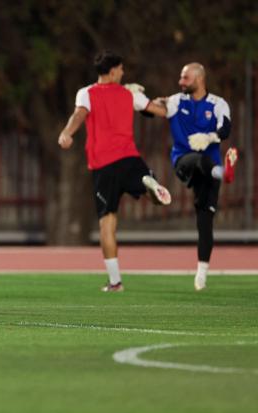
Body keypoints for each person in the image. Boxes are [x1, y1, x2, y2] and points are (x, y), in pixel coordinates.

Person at [57, 50, 171, 292]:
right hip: (131, 159)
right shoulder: (130, 93)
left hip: (104, 166)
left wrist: (67, 132)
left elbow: (79, 114)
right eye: (120, 69)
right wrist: (162, 101)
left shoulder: (86, 93)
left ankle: (115, 282)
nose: (123, 73)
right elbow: (160, 112)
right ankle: (150, 185)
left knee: (107, 224)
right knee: (151, 189)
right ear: (112, 71)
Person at [156, 63, 237, 291]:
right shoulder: (175, 101)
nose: (181, 82)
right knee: (197, 159)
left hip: (209, 166)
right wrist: (136, 100)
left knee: (205, 221)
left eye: (185, 77)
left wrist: (209, 137)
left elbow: (226, 130)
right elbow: (154, 109)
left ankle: (201, 274)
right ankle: (223, 173)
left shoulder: (218, 104)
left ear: (199, 79)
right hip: (184, 161)